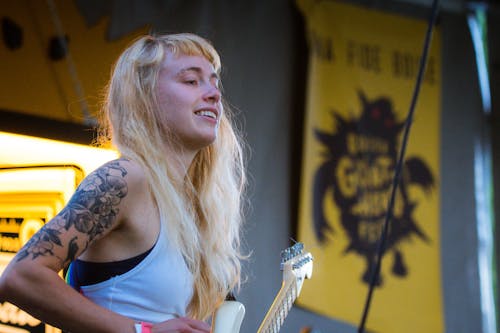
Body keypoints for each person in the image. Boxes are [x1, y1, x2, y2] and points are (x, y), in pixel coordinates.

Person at [0, 33, 247, 333]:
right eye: (191, 81)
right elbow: (21, 276)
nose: (213, 94)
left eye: (214, 82)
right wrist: (143, 332)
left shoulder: (186, 209)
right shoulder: (125, 179)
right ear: (145, 96)